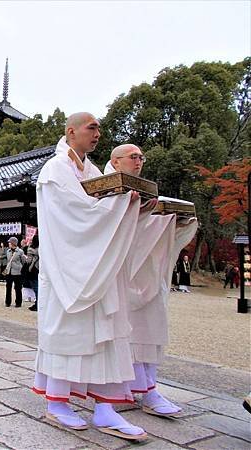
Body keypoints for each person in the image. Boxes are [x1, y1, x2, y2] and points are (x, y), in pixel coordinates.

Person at [32, 113, 147, 439]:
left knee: (105, 335)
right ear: (72, 131)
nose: (98, 133)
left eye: (98, 128)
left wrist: (128, 204)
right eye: (91, 127)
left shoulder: (92, 171)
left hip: (96, 265)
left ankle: (106, 409)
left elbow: (98, 208)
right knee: (69, 332)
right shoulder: (54, 171)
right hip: (68, 268)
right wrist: (118, 203)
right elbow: (74, 217)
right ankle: (56, 402)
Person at [105, 143, 198, 417]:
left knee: (151, 329)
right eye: (133, 157)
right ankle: (125, 390)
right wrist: (145, 213)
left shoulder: (146, 192)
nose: (139, 161)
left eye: (141, 157)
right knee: (125, 332)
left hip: (148, 270)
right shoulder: (103, 189)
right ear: (116, 161)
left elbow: (147, 225)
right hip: (120, 272)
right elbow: (103, 226)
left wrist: (175, 220)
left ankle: (148, 387)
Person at [4, 236, 25, 307]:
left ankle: (18, 303)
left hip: (17, 272)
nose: (8, 244)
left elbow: (23, 262)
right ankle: (7, 302)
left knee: (18, 288)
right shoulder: (8, 251)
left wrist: (21, 270)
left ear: (13, 243)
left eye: (9, 242)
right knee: (8, 287)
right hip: (9, 272)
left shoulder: (20, 252)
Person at [25, 235, 40, 311]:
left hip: (32, 270)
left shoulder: (31, 249)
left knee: (36, 288)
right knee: (38, 287)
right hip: (39, 269)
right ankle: (38, 303)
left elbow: (28, 261)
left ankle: (37, 304)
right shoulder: (41, 248)